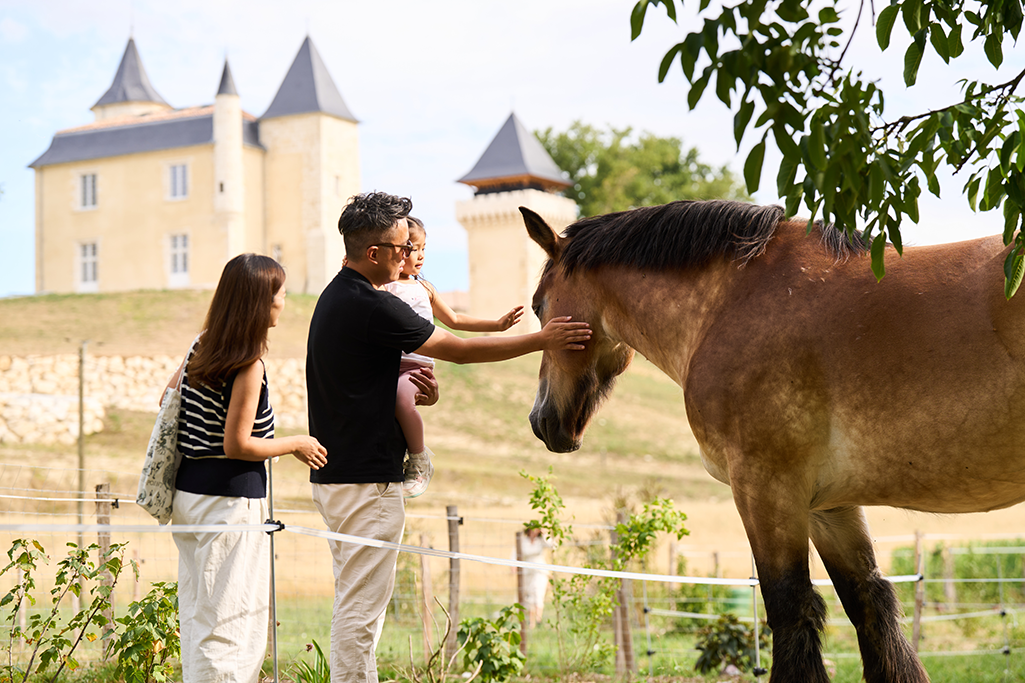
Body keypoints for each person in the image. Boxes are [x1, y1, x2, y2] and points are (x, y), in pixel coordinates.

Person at [306, 191, 590, 683]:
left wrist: (417, 396)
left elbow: (365, 382)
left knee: (355, 602)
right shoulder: (371, 305)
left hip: (338, 477)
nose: (408, 256)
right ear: (373, 253)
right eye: (400, 248)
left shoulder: (337, 297)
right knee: (361, 613)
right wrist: (543, 340)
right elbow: (457, 349)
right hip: (366, 482)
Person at [166, 253, 328, 683]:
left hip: (189, 499)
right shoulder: (249, 363)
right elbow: (237, 445)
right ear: (261, 302)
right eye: (280, 293)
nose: (285, 300)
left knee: (203, 620)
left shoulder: (201, 344)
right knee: (233, 628)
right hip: (228, 506)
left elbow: (168, 399)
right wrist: (295, 442)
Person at [381, 215, 524, 498]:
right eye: (411, 249)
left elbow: (455, 319)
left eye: (423, 248)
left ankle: (420, 460)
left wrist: (496, 325)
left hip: (416, 367)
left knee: (400, 398)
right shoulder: (384, 285)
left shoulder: (425, 288)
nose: (419, 256)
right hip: (388, 366)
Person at [518, 526, 552, 627]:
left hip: (540, 570)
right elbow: (516, 552)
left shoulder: (541, 541)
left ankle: (538, 620)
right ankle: (531, 622)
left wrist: (544, 534)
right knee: (529, 595)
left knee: (538, 592)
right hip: (527, 571)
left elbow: (552, 546)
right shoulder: (524, 541)